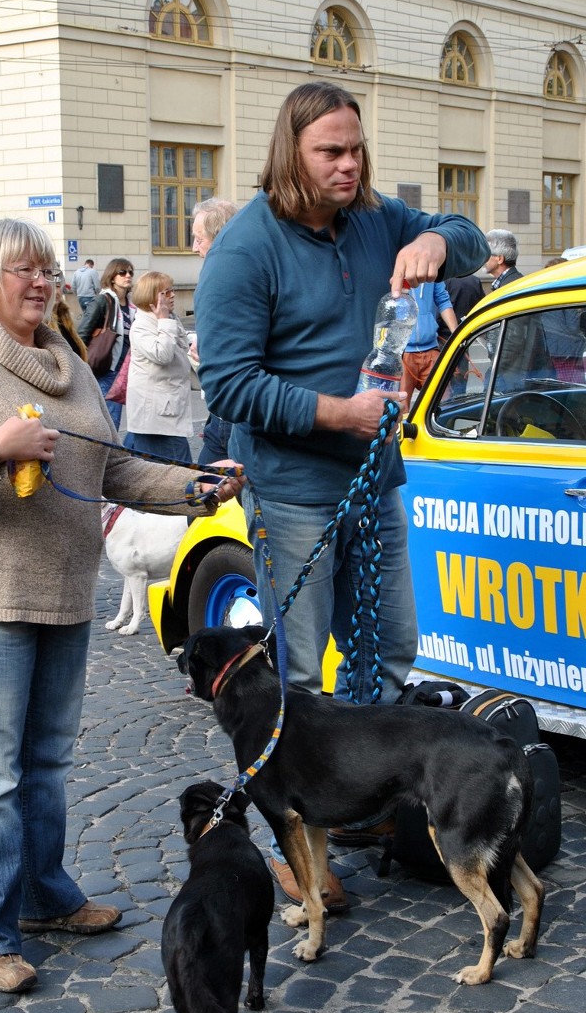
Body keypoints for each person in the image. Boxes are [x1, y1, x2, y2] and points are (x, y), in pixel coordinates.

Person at [0, 218, 243, 994]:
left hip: (63, 595)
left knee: (46, 765)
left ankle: (45, 896)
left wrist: (196, 489)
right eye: (25, 269)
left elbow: (113, 471)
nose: (43, 281)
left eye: (48, 269)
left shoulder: (70, 366)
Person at [195, 81, 489, 906]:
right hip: (293, 495)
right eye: (331, 151)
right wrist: (336, 411)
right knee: (287, 687)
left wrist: (435, 240)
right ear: (293, 152)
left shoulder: (376, 218)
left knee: (391, 646)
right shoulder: (246, 247)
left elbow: (470, 241)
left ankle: (359, 810)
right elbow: (226, 386)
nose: (349, 164)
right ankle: (292, 850)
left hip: (375, 481)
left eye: (356, 148)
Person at [124, 272, 195, 463]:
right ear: (152, 296)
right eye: (167, 292)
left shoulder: (168, 318)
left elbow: (180, 345)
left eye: (172, 290)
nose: (173, 295)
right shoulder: (142, 325)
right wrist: (164, 320)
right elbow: (162, 355)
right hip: (157, 419)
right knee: (177, 476)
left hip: (165, 413)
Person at [190, 198, 240, 466]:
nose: (194, 248)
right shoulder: (216, 277)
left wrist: (208, 352)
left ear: (220, 238)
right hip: (221, 417)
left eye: (200, 239)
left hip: (238, 419)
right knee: (202, 497)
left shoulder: (239, 279)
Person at [79, 258, 135, 430]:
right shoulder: (104, 301)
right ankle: (109, 454)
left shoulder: (132, 306)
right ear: (112, 276)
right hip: (107, 369)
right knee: (110, 421)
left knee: (127, 420)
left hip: (125, 370)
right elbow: (82, 333)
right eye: (122, 272)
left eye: (131, 272)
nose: (128, 276)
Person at [402, 281, 458, 405]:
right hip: (401, 353)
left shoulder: (431, 268)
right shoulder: (390, 265)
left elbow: (443, 300)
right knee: (399, 408)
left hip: (431, 349)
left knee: (443, 404)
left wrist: (457, 334)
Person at [48, 276, 88, 360]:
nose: (55, 292)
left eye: (57, 286)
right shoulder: (43, 323)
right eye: (50, 285)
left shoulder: (65, 318)